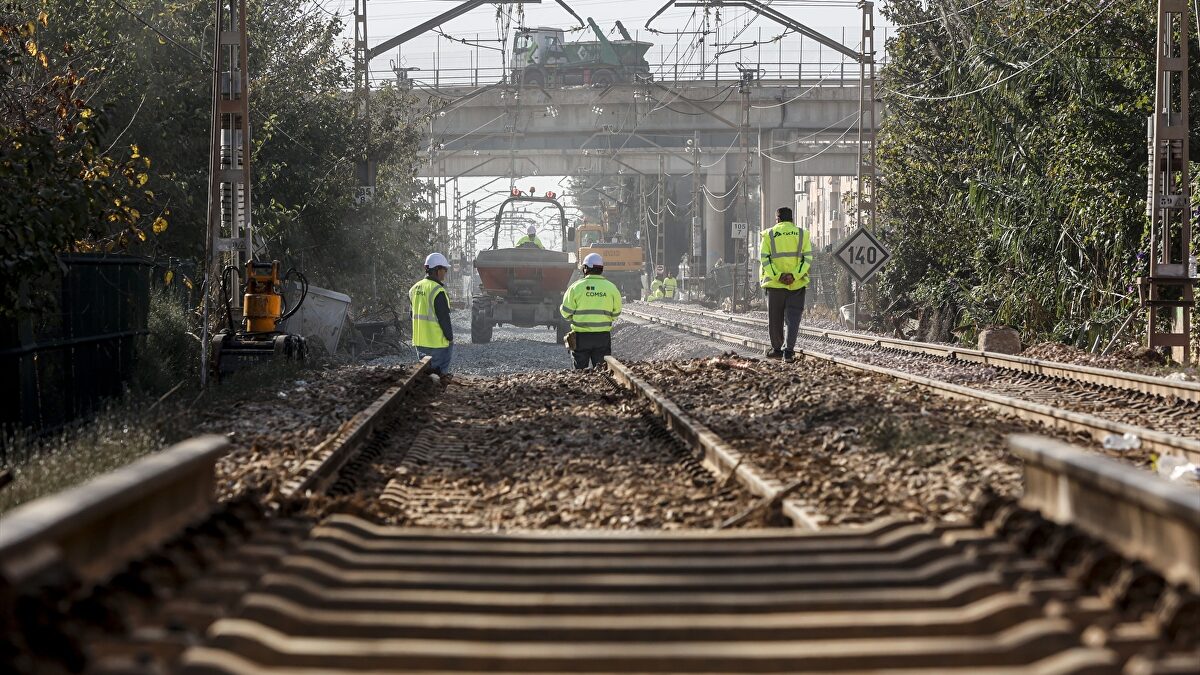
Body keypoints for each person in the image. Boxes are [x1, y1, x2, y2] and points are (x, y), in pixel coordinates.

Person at [760, 207, 812, 363]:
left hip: (775, 285)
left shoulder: (769, 234)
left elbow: (765, 259)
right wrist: (794, 276)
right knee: (793, 319)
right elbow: (807, 259)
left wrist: (778, 276)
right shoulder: (802, 234)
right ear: (792, 219)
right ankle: (788, 352)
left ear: (778, 220)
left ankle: (776, 349)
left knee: (775, 318)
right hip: (796, 285)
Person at [560, 252, 622, 369]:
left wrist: (573, 317)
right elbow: (616, 313)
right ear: (601, 269)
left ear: (585, 269)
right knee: (603, 372)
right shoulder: (611, 288)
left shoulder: (575, 287)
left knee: (579, 371)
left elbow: (566, 312)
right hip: (602, 337)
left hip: (581, 337)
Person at [409, 253, 454, 379]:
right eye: (444, 269)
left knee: (425, 376)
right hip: (437, 345)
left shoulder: (414, 288)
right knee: (438, 377)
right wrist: (450, 338)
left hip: (419, 343)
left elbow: (412, 315)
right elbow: (444, 318)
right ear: (437, 270)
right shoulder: (437, 291)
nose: (445, 273)